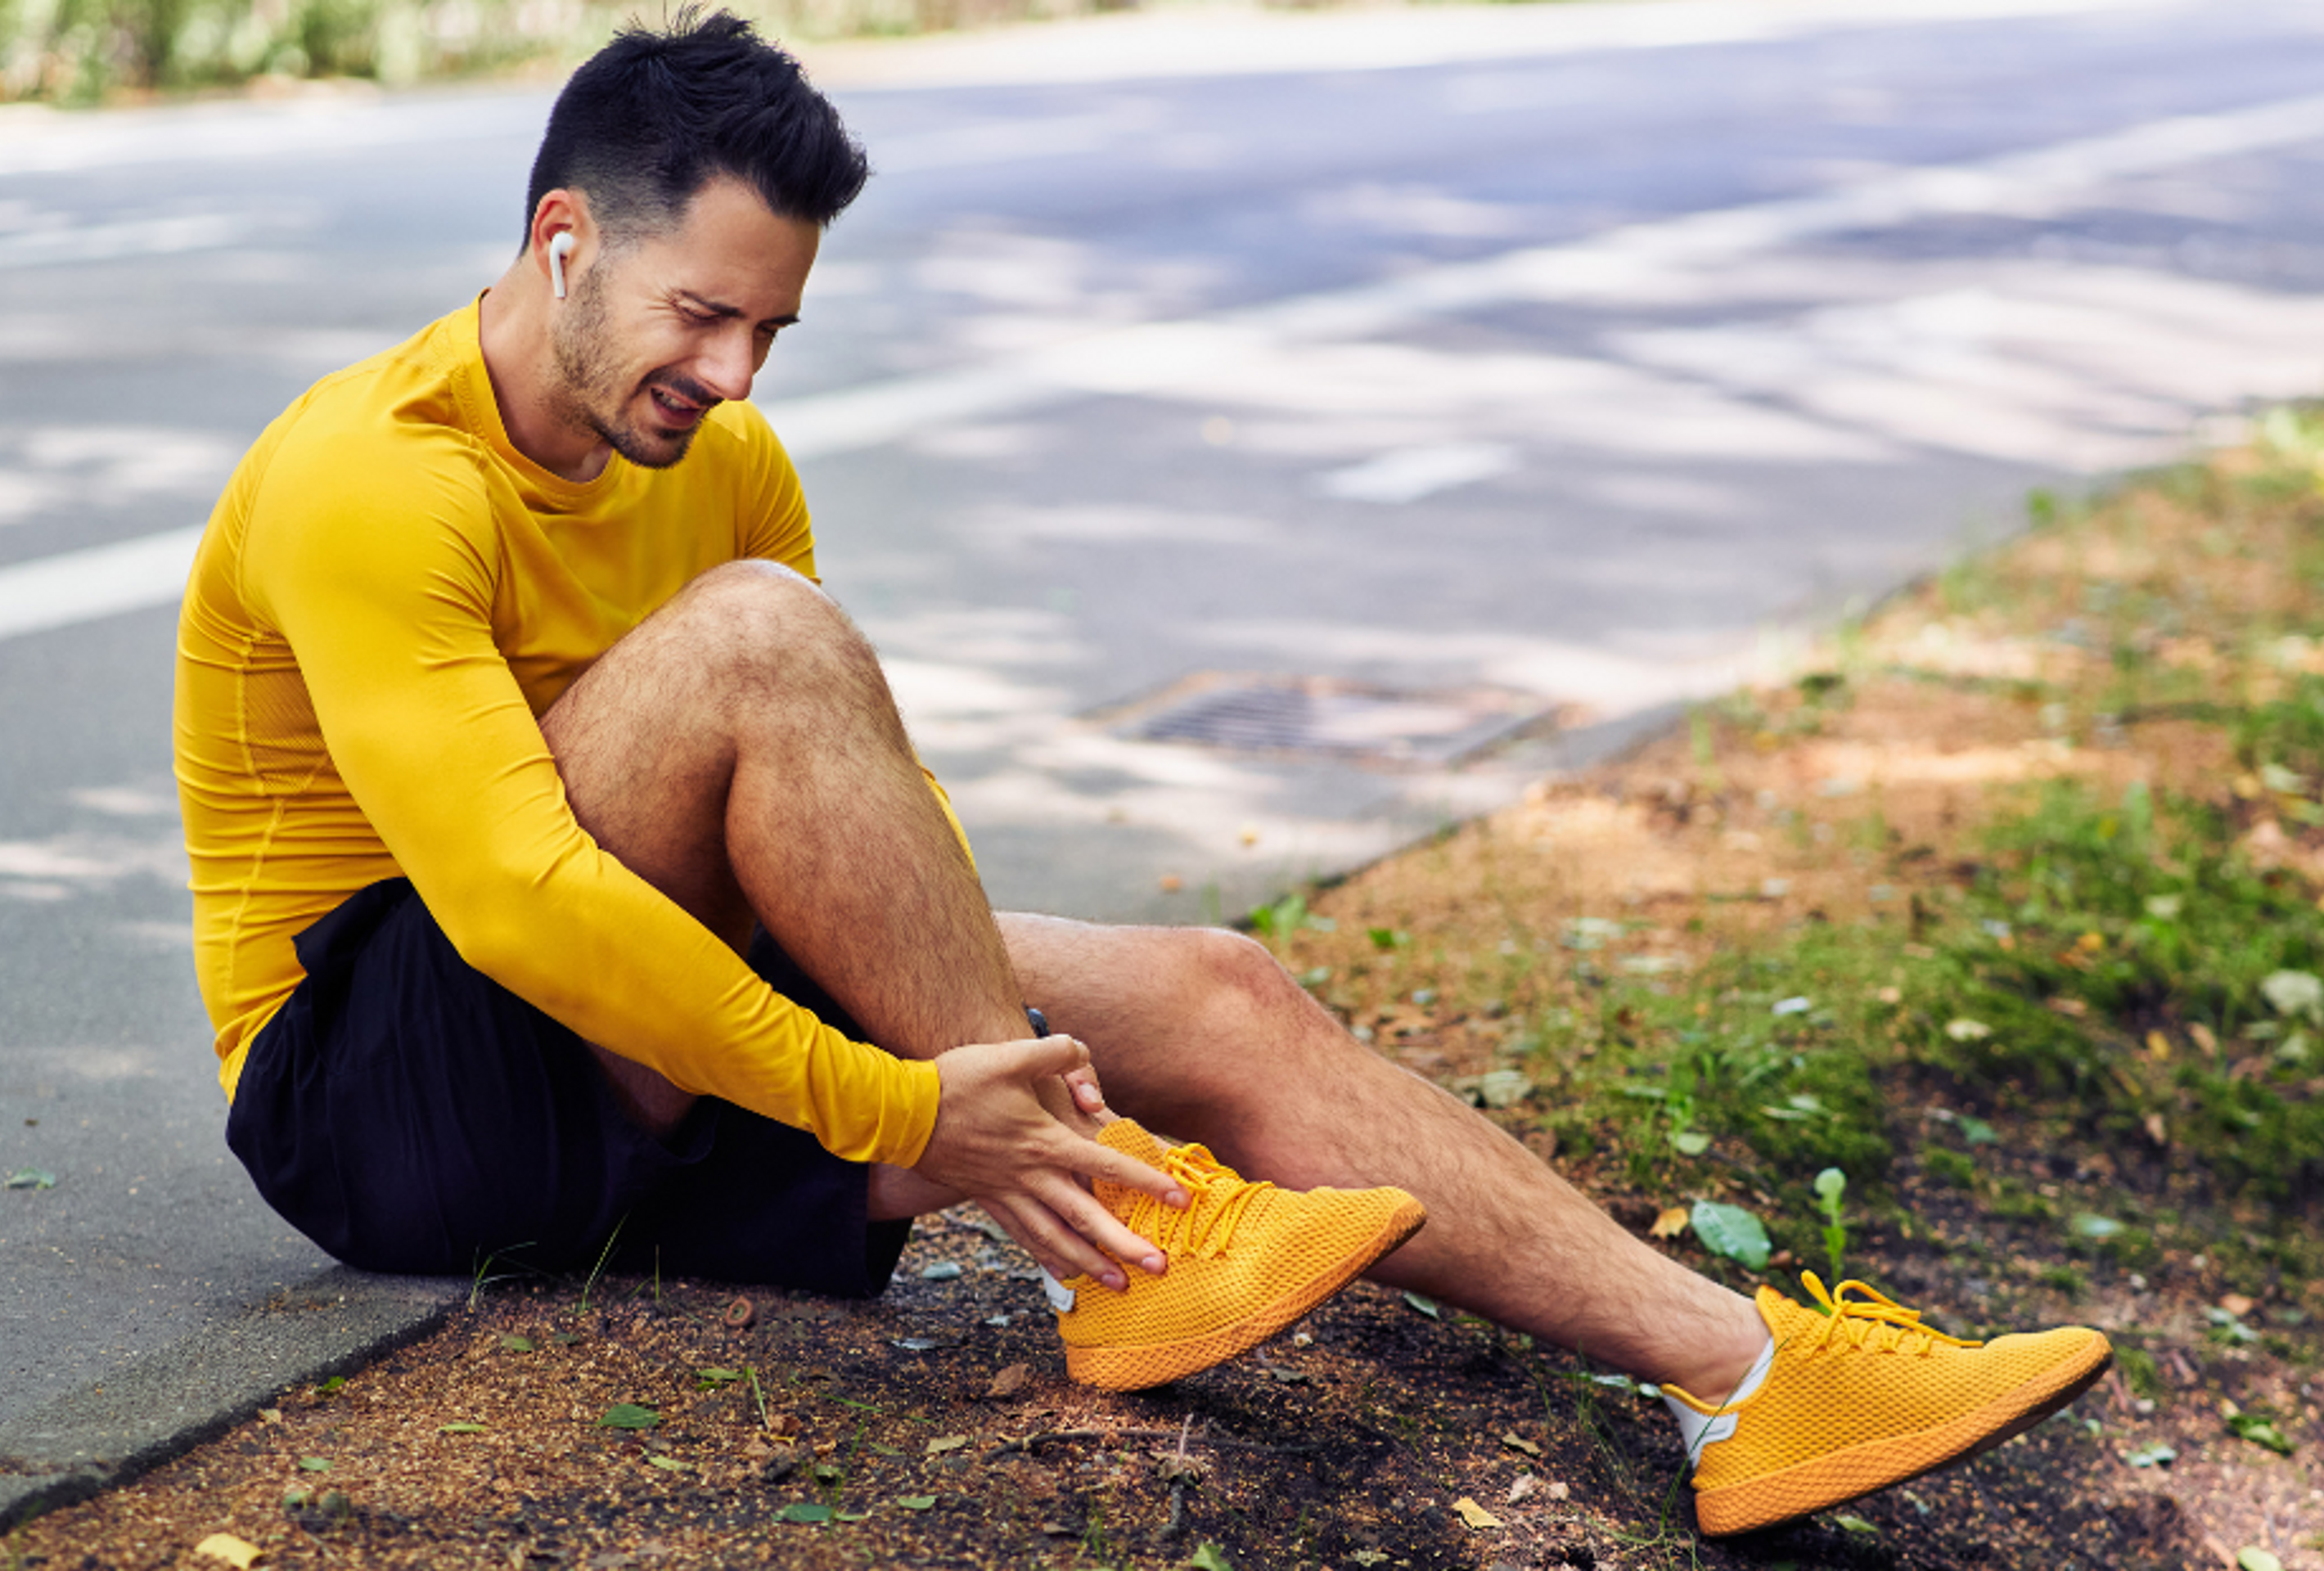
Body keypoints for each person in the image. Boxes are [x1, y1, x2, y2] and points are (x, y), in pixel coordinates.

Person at [172, 10, 2109, 1535]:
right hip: (380, 1079)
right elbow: (514, 901)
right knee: (763, 637)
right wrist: (893, 1095)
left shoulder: (721, 465)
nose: (741, 376)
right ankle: (1125, 1248)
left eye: (773, 327)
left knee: (1219, 988)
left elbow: (834, 811)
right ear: (561, 240)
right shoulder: (373, 476)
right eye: (703, 313)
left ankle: (1751, 1384)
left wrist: (972, 1050)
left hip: (626, 1019)